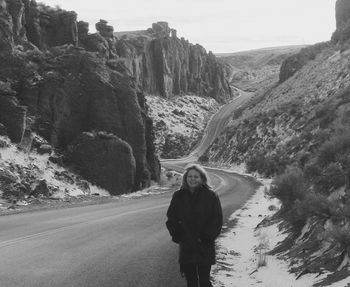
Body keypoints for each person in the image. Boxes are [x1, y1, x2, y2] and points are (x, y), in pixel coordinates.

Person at [166, 164, 223, 287]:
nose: (192, 179)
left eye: (196, 176)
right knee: (191, 282)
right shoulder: (178, 196)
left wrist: (207, 237)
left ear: (202, 178)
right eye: (190, 176)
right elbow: (171, 218)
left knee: (204, 281)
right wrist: (176, 233)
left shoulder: (211, 196)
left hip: (204, 245)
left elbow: (217, 219)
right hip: (186, 246)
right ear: (185, 178)